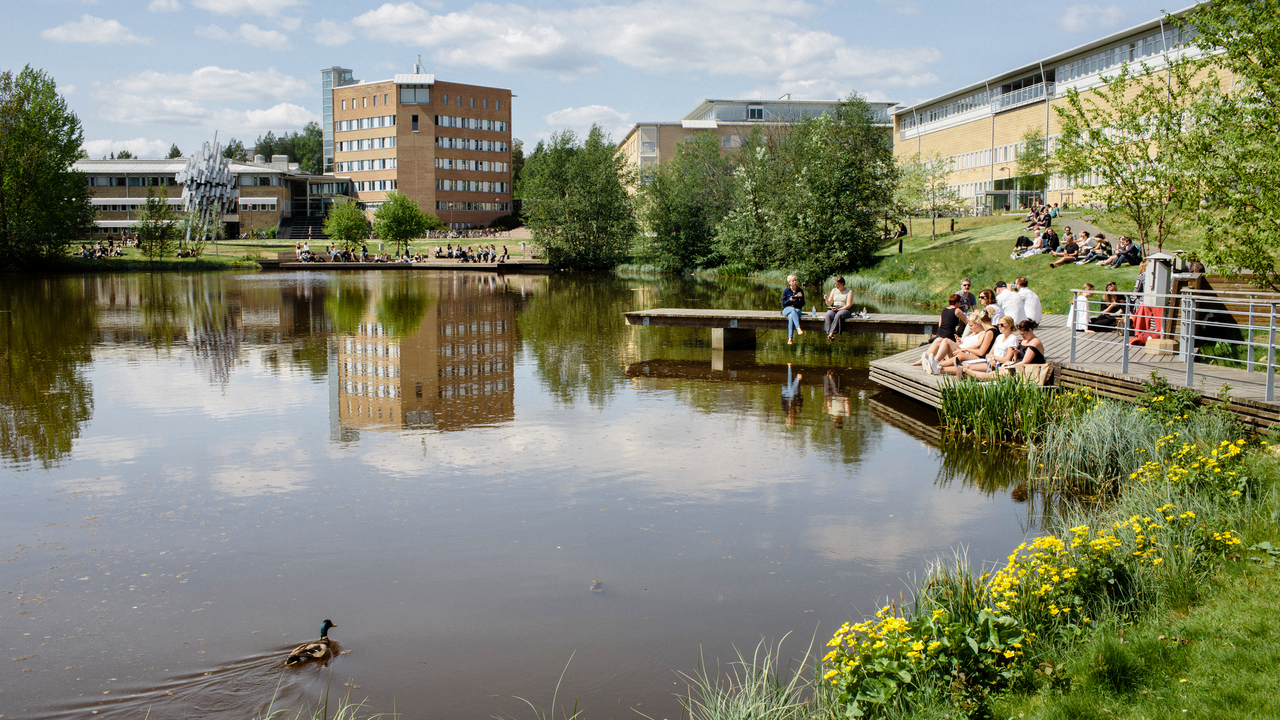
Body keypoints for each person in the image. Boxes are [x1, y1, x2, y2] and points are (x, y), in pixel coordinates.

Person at [958, 319, 1046, 380]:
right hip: (1020, 368)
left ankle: (965, 371)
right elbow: (1018, 359)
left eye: (1023, 334)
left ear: (1030, 330)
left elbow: (1025, 362)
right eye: (1021, 334)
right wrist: (1015, 354)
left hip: (1029, 370)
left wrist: (1009, 366)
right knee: (993, 373)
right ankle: (965, 372)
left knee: (990, 376)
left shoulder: (1034, 342)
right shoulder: (1025, 341)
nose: (1022, 336)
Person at [911, 294, 967, 368]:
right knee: (940, 340)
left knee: (938, 340)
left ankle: (926, 360)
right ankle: (931, 361)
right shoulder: (957, 311)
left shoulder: (944, 310)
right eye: (960, 302)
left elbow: (940, 324)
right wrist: (965, 313)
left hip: (941, 333)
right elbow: (967, 321)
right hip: (950, 335)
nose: (960, 303)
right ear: (957, 302)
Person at [781, 275, 806, 345]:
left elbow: (803, 304)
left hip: (797, 310)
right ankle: (798, 328)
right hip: (787, 309)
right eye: (793, 281)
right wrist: (790, 300)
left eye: (795, 280)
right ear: (789, 282)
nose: (795, 282)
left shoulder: (800, 290)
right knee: (792, 310)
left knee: (791, 316)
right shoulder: (786, 290)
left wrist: (800, 298)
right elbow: (783, 303)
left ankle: (790, 339)